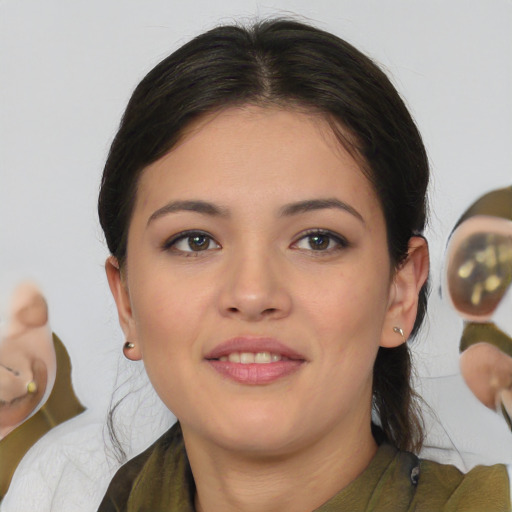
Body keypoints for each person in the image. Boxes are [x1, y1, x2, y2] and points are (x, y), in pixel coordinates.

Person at [96, 19, 510, 511]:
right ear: (126, 302)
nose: (252, 294)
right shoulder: (56, 494)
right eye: (195, 241)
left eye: (317, 240)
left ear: (400, 293)